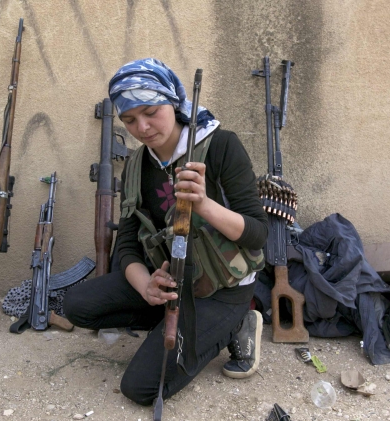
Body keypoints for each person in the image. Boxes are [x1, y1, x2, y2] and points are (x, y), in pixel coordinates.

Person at [63, 58, 269, 406]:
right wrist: (146, 285)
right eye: (129, 120)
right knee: (78, 305)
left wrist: (204, 204)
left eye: (150, 112)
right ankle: (177, 327)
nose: (142, 127)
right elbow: (127, 243)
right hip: (173, 284)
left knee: (141, 388)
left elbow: (258, 234)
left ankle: (235, 324)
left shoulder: (220, 145)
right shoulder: (135, 164)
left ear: (173, 103)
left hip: (221, 289)